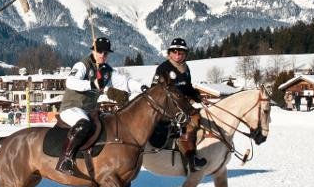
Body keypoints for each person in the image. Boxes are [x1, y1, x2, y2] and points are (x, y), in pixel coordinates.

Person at [55, 36, 147, 175]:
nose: (102, 55)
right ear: (94, 51)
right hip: (71, 108)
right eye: (100, 52)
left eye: (106, 53)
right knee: (83, 124)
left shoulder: (107, 71)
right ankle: (65, 159)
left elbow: (125, 83)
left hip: (89, 110)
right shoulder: (83, 65)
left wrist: (143, 88)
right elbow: (70, 82)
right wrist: (92, 84)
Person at [152, 37, 205, 172]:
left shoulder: (185, 68)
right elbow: (154, 91)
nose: (177, 55)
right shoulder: (163, 68)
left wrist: (195, 94)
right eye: (174, 52)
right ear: (169, 53)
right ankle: (191, 159)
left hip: (182, 104)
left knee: (200, 118)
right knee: (186, 124)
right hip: (166, 106)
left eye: (180, 52)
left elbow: (187, 87)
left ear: (185, 54)